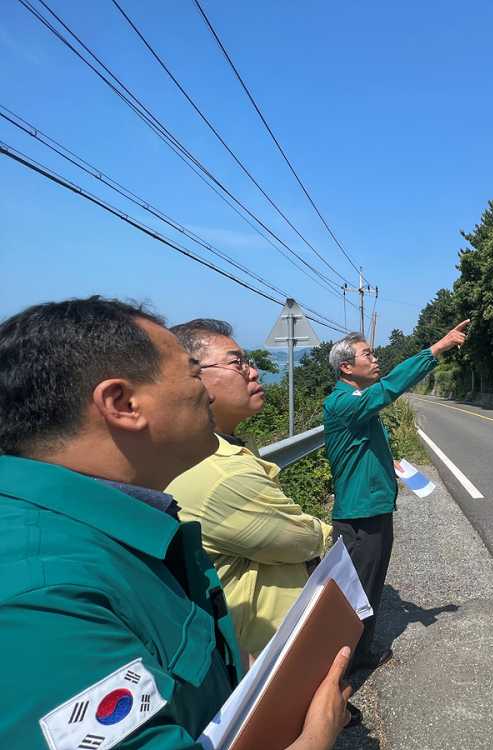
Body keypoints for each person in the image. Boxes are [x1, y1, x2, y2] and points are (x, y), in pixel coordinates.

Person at [0, 297, 351, 750]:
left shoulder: (123, 530)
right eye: (191, 374)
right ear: (122, 403)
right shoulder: (41, 598)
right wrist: (318, 736)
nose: (206, 391)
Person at [166, 319, 332, 658]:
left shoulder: (214, 449)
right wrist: (323, 530)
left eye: (249, 362)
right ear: (192, 379)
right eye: (237, 363)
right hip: (266, 656)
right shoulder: (220, 472)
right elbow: (301, 539)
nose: (253, 373)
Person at [324, 320, 469, 672]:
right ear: (346, 367)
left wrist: (389, 462)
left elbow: (359, 448)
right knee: (361, 591)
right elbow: (389, 389)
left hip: (370, 507)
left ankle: (350, 653)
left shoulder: (355, 401)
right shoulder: (344, 402)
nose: (376, 360)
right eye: (368, 354)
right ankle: (352, 661)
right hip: (362, 514)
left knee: (364, 586)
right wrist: (436, 348)